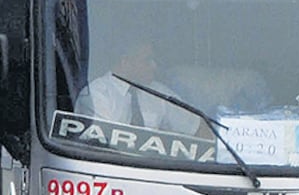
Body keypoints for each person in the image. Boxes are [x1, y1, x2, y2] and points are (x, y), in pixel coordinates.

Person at [76, 38, 205, 135]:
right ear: (125, 62)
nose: (154, 66)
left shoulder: (158, 93)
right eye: (147, 60)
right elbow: (103, 145)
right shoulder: (96, 94)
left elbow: (198, 128)